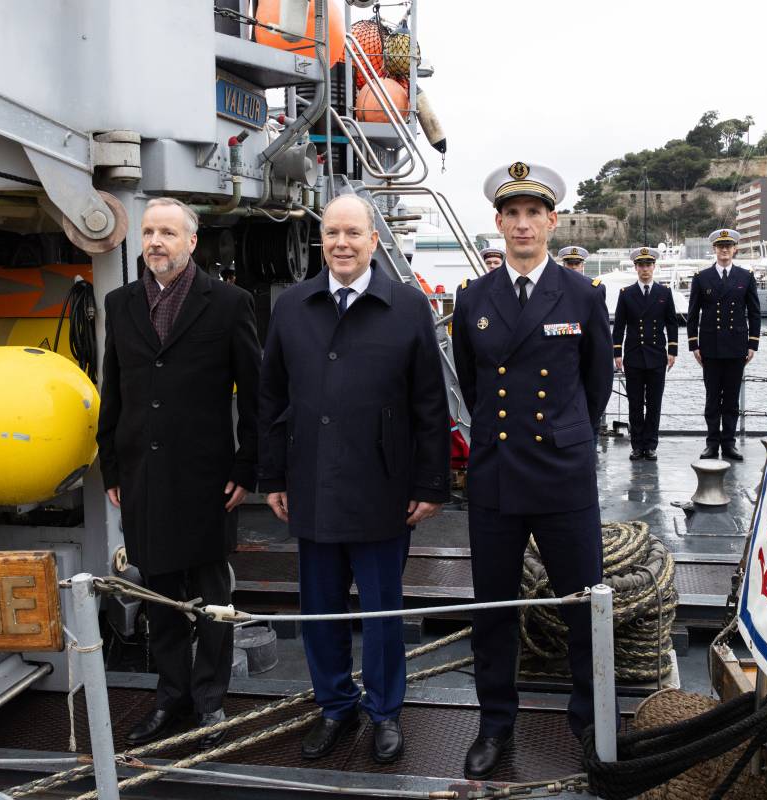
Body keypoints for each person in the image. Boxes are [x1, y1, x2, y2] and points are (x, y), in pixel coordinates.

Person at [257, 193, 450, 765]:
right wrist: (272, 475)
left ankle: (386, 712)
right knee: (319, 610)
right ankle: (335, 706)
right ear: (322, 241)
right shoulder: (292, 307)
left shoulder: (409, 307)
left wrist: (431, 484)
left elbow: (430, 405)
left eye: (352, 234)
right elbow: (270, 397)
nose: (341, 243)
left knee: (383, 611)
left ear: (373, 241)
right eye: (332, 233)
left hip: (384, 488)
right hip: (311, 483)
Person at [451, 162, 613, 779]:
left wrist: (568, 431)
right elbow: (472, 381)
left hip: (562, 473)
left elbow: (596, 384)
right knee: (492, 610)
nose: (522, 224)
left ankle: (591, 721)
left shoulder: (582, 295)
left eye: (533, 214)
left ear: (551, 222)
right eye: (511, 214)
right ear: (498, 224)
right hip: (496, 472)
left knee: (582, 606)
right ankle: (495, 723)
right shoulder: (475, 298)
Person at [96, 197, 262, 750]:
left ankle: (210, 698)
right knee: (158, 591)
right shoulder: (120, 305)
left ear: (193, 241)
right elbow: (112, 389)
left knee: (213, 591)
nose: (155, 242)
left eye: (167, 232)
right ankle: (171, 696)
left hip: (207, 474)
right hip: (142, 472)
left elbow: (255, 395)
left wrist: (247, 465)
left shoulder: (229, 303)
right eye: (147, 232)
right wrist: (111, 465)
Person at [686, 228, 760, 461]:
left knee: (731, 398)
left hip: (737, 348)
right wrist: (694, 345)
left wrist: (753, 344)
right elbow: (692, 313)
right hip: (710, 347)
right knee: (711, 398)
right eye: (720, 246)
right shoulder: (702, 277)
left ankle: (728, 443)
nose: (725, 250)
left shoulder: (745, 277)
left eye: (728, 246)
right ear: (714, 249)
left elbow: (755, 313)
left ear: (735, 249)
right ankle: (712, 443)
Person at [613, 247, 678, 461]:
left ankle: (650, 445)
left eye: (648, 265)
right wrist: (617, 353)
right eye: (641, 265)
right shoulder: (626, 294)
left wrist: (672, 351)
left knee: (654, 404)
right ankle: (637, 445)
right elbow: (619, 326)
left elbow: (671, 323)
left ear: (654, 267)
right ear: (636, 268)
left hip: (657, 356)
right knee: (635, 403)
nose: (645, 269)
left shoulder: (664, 293)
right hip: (633, 356)